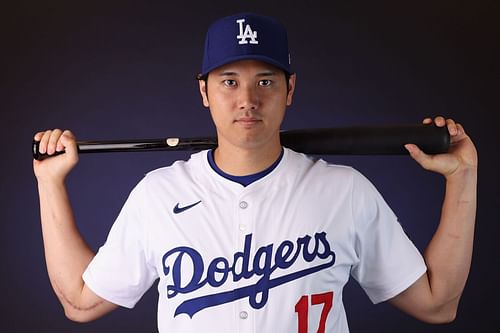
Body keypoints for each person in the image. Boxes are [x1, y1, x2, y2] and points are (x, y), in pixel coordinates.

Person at [33, 12, 477, 333]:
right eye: (229, 81)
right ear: (204, 91)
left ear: (290, 90)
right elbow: (81, 304)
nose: (247, 99)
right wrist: (49, 183)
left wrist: (462, 179)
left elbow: (437, 305)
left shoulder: (345, 191)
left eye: (265, 81)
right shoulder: (159, 195)